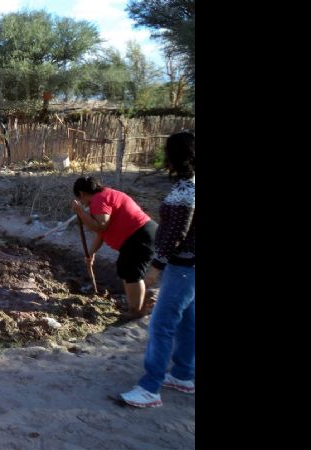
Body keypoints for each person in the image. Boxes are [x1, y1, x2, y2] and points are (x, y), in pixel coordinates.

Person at [119, 130, 195, 408]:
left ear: (175, 156)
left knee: (161, 326)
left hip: (182, 266)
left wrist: (157, 265)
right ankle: (183, 375)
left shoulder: (187, 190)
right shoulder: (190, 186)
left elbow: (177, 232)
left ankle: (150, 387)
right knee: (187, 321)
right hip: (190, 266)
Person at [71, 176, 157, 319]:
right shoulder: (106, 195)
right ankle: (135, 304)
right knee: (125, 268)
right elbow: (101, 233)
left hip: (139, 236)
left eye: (81, 200)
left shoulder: (99, 199)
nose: (83, 203)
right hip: (140, 235)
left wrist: (81, 212)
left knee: (132, 273)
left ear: (81, 194)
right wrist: (90, 254)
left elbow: (101, 225)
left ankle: (136, 310)